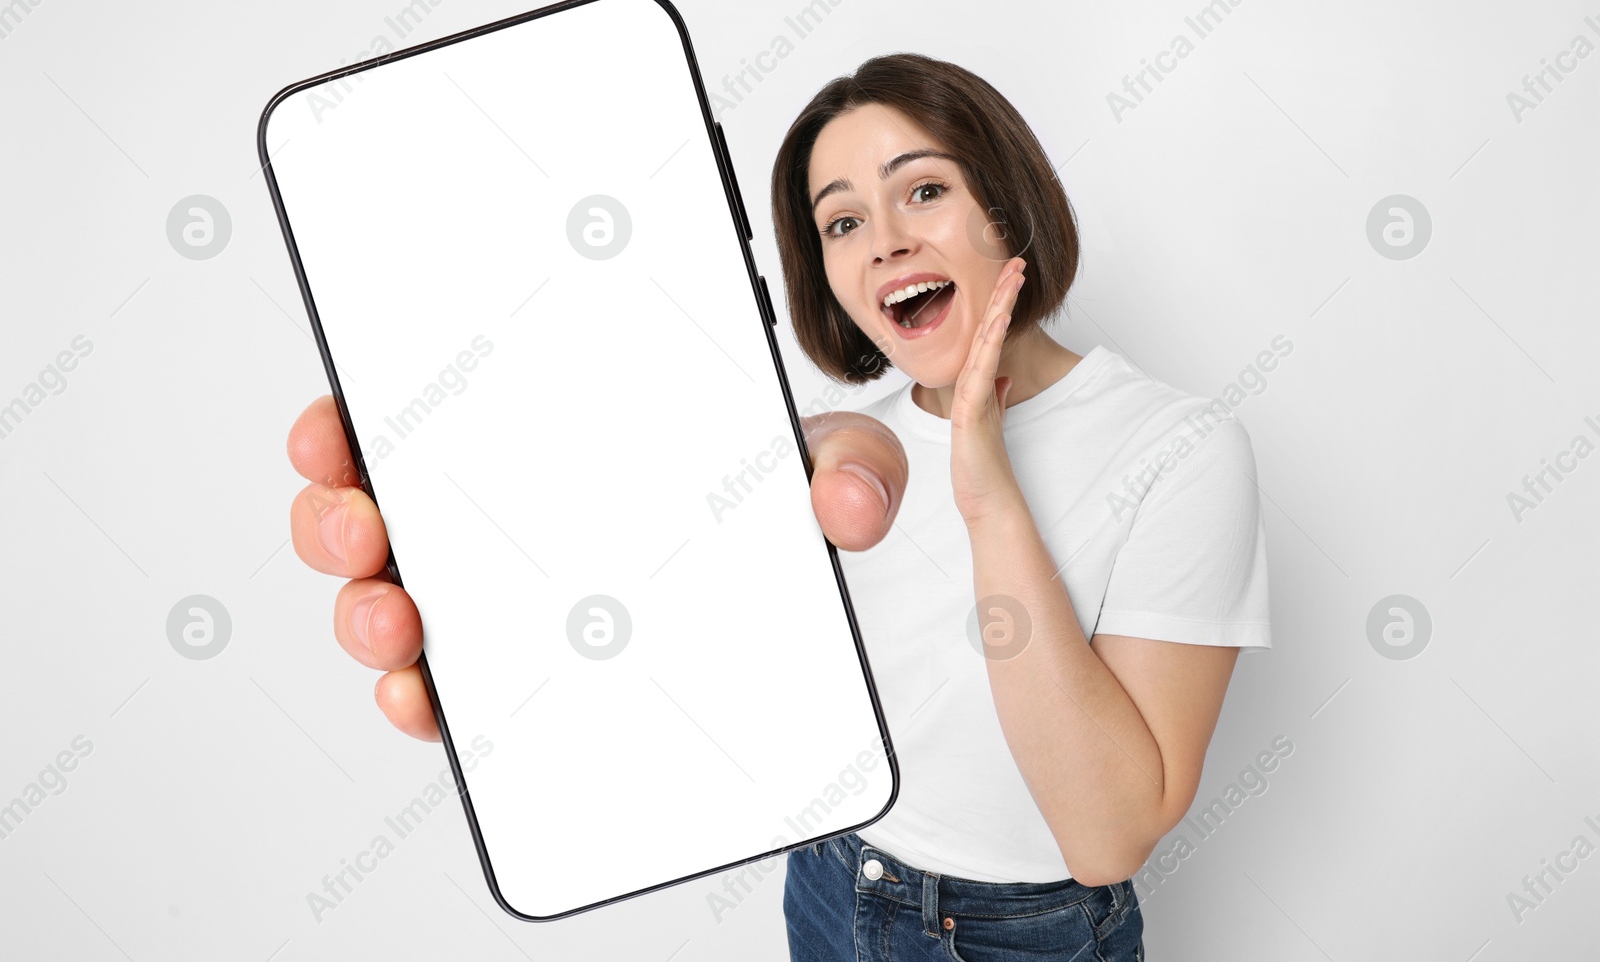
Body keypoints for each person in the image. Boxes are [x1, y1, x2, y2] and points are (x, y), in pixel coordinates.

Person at [287, 53, 1271, 961]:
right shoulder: (846, 451)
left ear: (1006, 210)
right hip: (831, 880)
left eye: (922, 190)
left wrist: (988, 491)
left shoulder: (1180, 449)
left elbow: (1107, 835)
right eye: (842, 222)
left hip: (1022, 932)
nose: (884, 242)